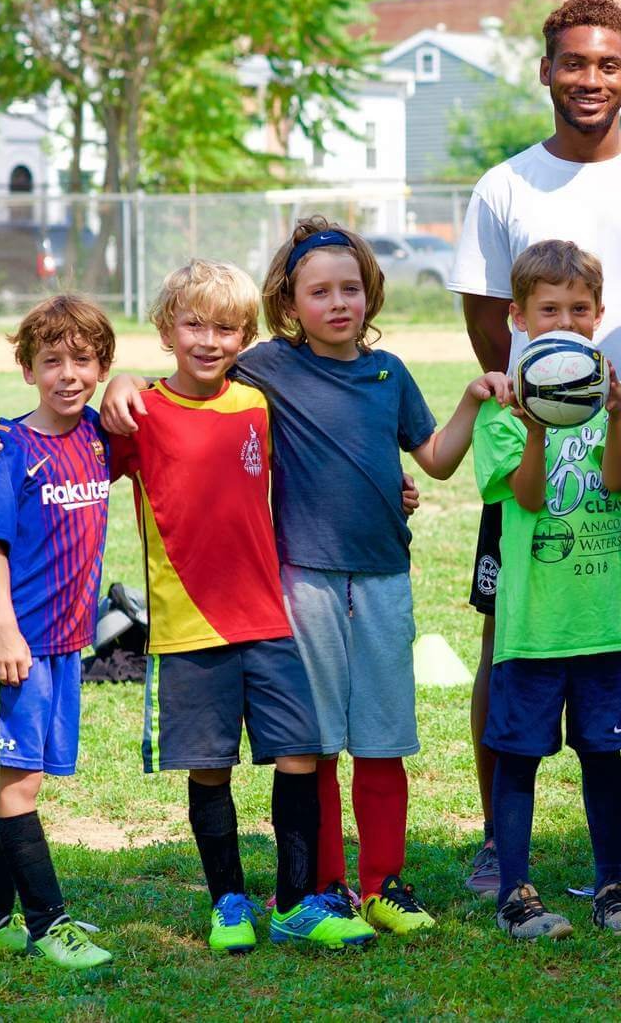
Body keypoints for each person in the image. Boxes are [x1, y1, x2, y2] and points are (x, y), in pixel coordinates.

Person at [80, 220, 501, 938]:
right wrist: (119, 381)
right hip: (300, 577)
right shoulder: (265, 366)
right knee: (316, 738)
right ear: (289, 303)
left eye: (350, 289)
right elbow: (187, 375)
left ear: (369, 295)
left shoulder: (387, 372)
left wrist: (471, 401)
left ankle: (383, 883)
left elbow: (431, 456)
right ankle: (323, 884)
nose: (338, 303)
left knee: (383, 735)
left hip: (384, 576)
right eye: (320, 291)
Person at [450, 0, 621, 894]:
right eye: (574, 63)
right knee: (510, 635)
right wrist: (540, 409)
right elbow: (490, 323)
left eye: (608, 64)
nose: (591, 79)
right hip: (540, 453)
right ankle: (500, 837)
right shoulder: (506, 186)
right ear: (546, 70)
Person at [119, 260, 372, 951]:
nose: (209, 339)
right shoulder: (140, 411)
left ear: (245, 336)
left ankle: (293, 903)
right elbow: (75, 451)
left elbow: (325, 456)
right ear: (166, 327)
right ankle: (228, 900)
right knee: (211, 766)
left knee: (300, 750)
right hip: (187, 626)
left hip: (266, 614)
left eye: (226, 327)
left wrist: (394, 487)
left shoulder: (256, 402)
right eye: (193, 323)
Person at [474, 239, 621, 940]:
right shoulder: (504, 401)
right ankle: (515, 890)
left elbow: (615, 481)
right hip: (534, 620)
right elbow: (523, 497)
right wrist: (535, 429)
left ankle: (612, 883)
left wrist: (610, 414)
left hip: (601, 616)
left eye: (580, 309)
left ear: (599, 314)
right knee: (519, 755)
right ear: (519, 316)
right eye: (549, 309)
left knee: (602, 754)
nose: (566, 321)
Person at [0, 296, 117, 970]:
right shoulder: (9, 450)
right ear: (28, 370)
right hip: (13, 644)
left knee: (22, 777)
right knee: (19, 781)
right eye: (50, 360)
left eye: (82, 359)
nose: (68, 373)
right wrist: (4, 630)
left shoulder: (98, 438)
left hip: (65, 642)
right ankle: (49, 922)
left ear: (101, 366)